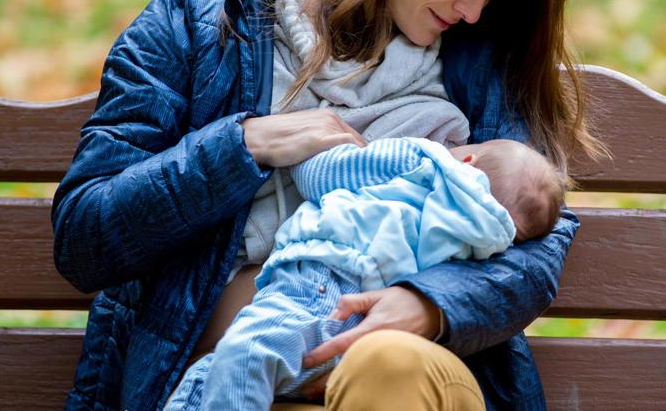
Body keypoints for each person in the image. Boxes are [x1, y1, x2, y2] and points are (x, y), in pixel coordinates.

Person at [51, 0, 604, 411]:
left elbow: (537, 238)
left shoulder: (477, 61)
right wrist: (245, 146)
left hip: (398, 381)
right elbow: (86, 235)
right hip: (211, 388)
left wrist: (430, 303)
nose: (473, 10)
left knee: (388, 362)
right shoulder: (202, 22)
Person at [165, 136, 564, 410]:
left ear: (467, 159)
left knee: (240, 357)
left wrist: (307, 149)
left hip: (318, 291)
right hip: (360, 330)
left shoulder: (422, 160)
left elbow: (319, 176)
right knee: (214, 375)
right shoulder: (486, 243)